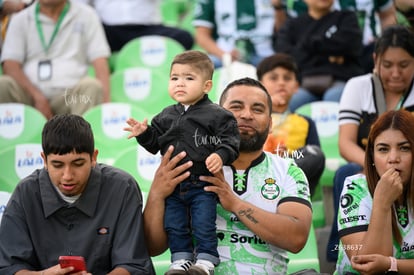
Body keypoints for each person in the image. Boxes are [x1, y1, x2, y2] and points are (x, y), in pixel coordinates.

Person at [143, 77, 313, 274]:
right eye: (236, 107)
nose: (246, 115)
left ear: (270, 123)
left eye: (257, 109)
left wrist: (235, 204)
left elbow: (296, 239)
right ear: (214, 116)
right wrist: (156, 194)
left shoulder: (288, 170)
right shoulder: (187, 164)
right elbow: (153, 247)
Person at [124, 50, 240, 275]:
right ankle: (181, 259)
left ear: (207, 86)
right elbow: (155, 143)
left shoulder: (218, 115)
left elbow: (230, 142)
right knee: (174, 224)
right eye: (174, 78)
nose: (180, 83)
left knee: (203, 223)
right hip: (174, 186)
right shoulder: (166, 115)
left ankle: (206, 259)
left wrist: (220, 155)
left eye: (189, 78)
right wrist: (143, 133)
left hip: (203, 184)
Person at [0, 114, 155, 274]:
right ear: (44, 160)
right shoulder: (25, 193)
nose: (67, 175)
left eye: (78, 164)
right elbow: (8, 268)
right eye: (57, 165)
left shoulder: (122, 188)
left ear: (93, 158)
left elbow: (133, 265)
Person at [326, 24, 414, 263]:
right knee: (347, 173)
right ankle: (341, 249)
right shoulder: (358, 85)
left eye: (404, 65)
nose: (395, 73)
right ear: (375, 60)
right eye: (387, 65)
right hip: (365, 165)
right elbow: (345, 143)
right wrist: (377, 165)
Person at [0, 0, 111, 119]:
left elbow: (100, 62)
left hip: (69, 97)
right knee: (3, 84)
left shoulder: (87, 15)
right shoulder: (20, 19)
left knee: (92, 86)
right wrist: (37, 97)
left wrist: (106, 109)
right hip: (29, 96)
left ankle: (79, 136)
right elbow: (10, 65)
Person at [334, 109, 414, 274]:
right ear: (371, 156)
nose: (393, 158)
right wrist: (382, 203)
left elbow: (383, 264)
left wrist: (390, 264)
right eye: (383, 149)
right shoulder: (354, 188)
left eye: (404, 148)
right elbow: (365, 265)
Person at [276, 0, 363, 112]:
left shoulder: (346, 18)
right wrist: (330, 53)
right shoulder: (292, 25)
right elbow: (286, 57)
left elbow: (352, 46)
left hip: (340, 80)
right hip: (304, 83)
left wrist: (307, 47)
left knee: (335, 98)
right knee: (292, 102)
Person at [257, 53, 325, 196]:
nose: (281, 83)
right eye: (273, 78)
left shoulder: (305, 122)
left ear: (296, 86)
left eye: (287, 78)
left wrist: (288, 157)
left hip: (293, 169)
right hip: (258, 168)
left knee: (314, 153)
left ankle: (281, 178)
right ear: (260, 84)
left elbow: (314, 158)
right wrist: (267, 108)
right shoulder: (253, 116)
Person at [272, 0, 396, 74]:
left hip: (357, 62)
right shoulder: (295, 23)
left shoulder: (347, 17)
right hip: (307, 74)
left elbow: (351, 45)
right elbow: (286, 52)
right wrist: (327, 56)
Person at [73, 0, 194, 52]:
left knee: (183, 37)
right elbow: (81, 6)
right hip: (109, 31)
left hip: (147, 29)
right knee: (82, 36)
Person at [193, 0, 276, 68]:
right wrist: (225, 56)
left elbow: (284, 31)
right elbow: (201, 36)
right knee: (197, 67)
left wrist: (278, 7)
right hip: (223, 56)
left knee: (280, 66)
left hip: (265, 55)